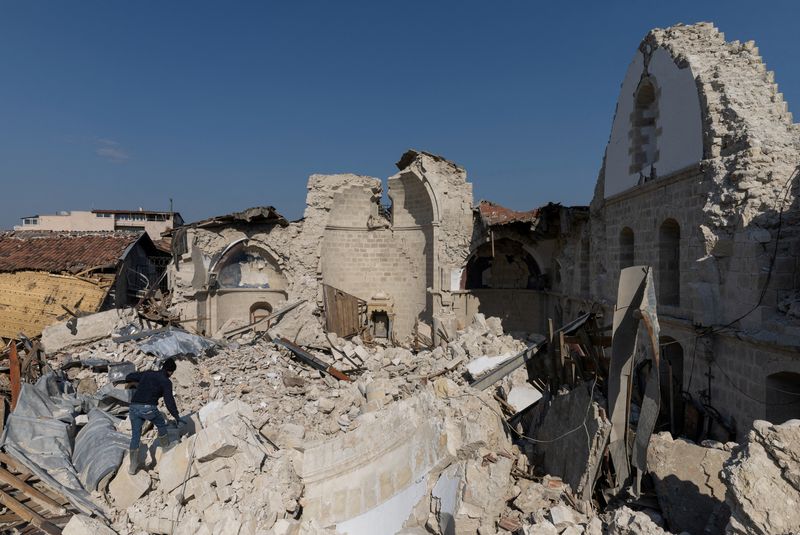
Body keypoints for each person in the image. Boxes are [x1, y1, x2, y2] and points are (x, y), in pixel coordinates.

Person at [125, 357, 182, 475]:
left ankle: (133, 465)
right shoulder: (166, 381)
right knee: (161, 424)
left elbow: (129, 376)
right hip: (148, 408)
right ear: (170, 371)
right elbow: (169, 401)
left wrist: (139, 382)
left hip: (134, 407)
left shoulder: (148, 373)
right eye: (172, 373)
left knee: (136, 434)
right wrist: (176, 416)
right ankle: (166, 447)